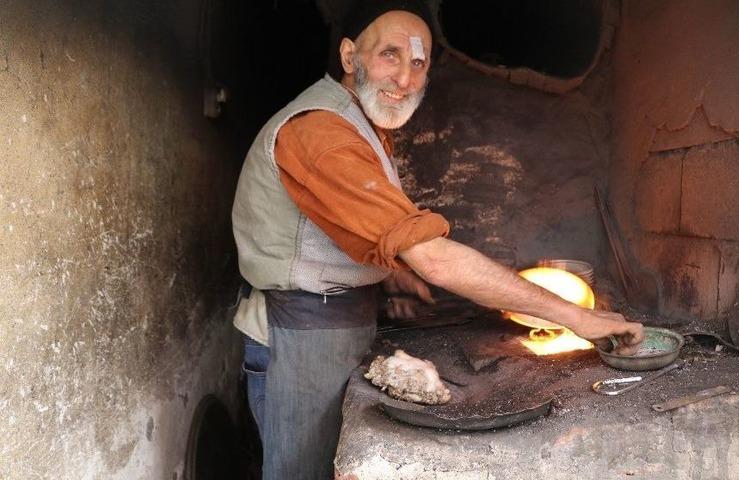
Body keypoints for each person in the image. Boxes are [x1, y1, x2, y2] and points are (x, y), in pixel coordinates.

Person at [231, 1, 644, 478]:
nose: (404, 78)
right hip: (295, 343)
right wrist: (577, 317)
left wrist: (388, 278)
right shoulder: (322, 134)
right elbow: (434, 257)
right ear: (349, 57)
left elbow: (331, 231)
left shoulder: (358, 124)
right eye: (390, 55)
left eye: (418, 62)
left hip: (327, 330)